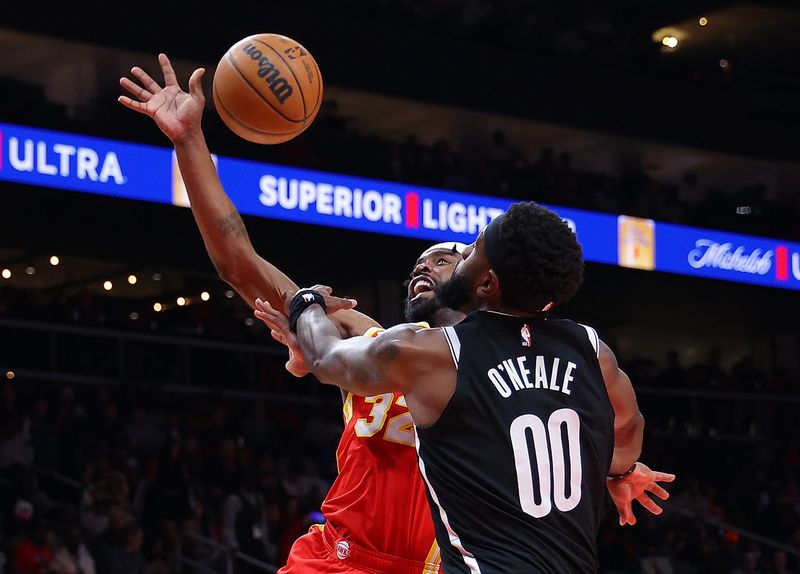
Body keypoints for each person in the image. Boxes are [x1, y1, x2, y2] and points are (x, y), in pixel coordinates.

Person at [119, 55, 673, 573]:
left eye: (446, 259)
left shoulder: (527, 367)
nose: (425, 268)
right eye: (418, 264)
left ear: (484, 283)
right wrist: (190, 141)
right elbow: (239, 262)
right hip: (340, 555)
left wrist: (613, 469)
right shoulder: (375, 340)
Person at [257, 201, 675, 572]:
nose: (462, 257)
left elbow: (327, 357)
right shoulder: (590, 349)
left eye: (473, 250)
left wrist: (306, 305)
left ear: (487, 283)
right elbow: (629, 428)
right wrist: (619, 472)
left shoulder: (439, 353)